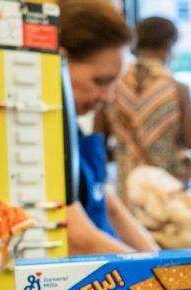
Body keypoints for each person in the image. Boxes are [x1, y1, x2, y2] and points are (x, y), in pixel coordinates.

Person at [59, 0, 158, 254]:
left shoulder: (72, 128)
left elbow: (109, 205)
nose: (108, 97)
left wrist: (160, 259)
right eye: (100, 81)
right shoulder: (39, 135)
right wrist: (154, 272)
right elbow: (78, 236)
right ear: (59, 61)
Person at [107, 16, 191, 196]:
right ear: (167, 46)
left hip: (127, 193)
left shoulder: (113, 86)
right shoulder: (177, 90)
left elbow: (98, 142)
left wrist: (126, 151)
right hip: (167, 191)